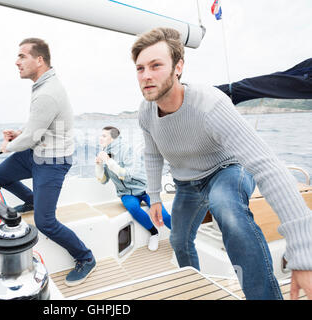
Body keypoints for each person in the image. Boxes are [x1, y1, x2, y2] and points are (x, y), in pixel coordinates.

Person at [132, 27, 312, 300]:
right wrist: (155, 197)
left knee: (226, 210)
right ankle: (194, 285)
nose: (146, 75)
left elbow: (268, 167)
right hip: (185, 184)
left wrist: (303, 253)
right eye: (140, 68)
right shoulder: (145, 112)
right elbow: (153, 154)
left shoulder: (210, 104)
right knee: (178, 241)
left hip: (226, 171)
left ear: (178, 67)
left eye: (156, 65)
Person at [0, 38, 95, 287]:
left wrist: (9, 146)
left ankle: (86, 257)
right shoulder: (43, 85)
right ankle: (32, 199)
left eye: (22, 56)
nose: (16, 62)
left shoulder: (47, 92)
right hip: (37, 152)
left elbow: (31, 137)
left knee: (45, 222)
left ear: (39, 60)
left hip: (52, 162)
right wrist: (21, 134)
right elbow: (37, 127)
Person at [95, 126, 171, 251]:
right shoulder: (105, 152)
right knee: (133, 208)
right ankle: (154, 233)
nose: (100, 138)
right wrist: (98, 165)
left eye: (104, 136)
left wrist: (108, 161)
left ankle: (183, 237)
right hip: (126, 193)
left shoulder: (126, 150)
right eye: (100, 135)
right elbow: (103, 180)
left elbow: (128, 175)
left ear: (114, 138)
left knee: (163, 215)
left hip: (144, 188)